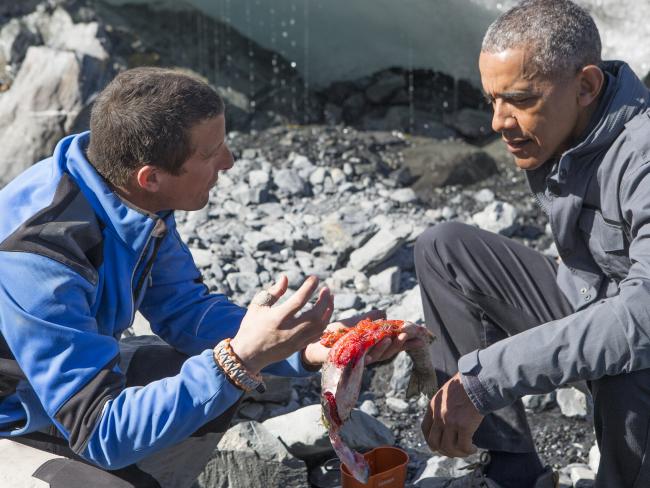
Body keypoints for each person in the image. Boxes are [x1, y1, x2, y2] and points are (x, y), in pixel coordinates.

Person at [0, 67, 419, 487]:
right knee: (216, 377)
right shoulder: (42, 258)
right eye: (211, 152)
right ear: (151, 177)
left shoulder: (123, 191)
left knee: (206, 376)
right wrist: (239, 360)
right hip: (12, 411)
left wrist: (310, 346)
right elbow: (98, 429)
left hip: (50, 387)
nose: (229, 161)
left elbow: (185, 310)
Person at [416, 0, 650, 487]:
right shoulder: (565, 129)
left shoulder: (642, 156)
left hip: (641, 339)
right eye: (492, 100)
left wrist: (486, 378)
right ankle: (512, 469)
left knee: (627, 368)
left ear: (586, 86)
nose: (498, 122)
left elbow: (642, 319)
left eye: (520, 99)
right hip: (589, 303)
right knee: (444, 250)